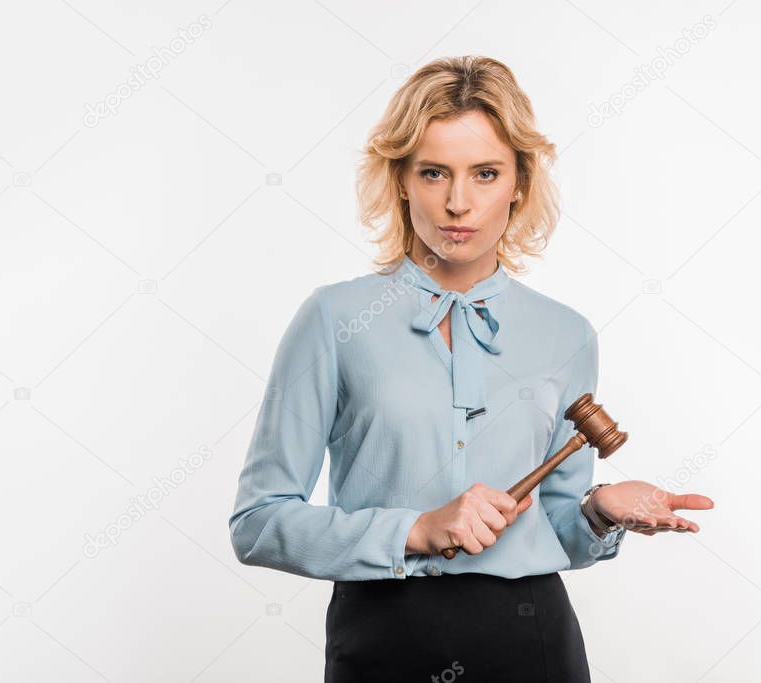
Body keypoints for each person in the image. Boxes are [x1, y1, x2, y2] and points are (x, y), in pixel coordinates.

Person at [228, 55, 715, 682]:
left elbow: (563, 530)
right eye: (434, 173)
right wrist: (417, 529)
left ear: (519, 182)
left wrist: (600, 510)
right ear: (401, 180)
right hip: (382, 639)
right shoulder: (333, 318)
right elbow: (258, 523)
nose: (458, 203)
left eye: (485, 174)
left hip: (533, 639)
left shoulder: (567, 334)